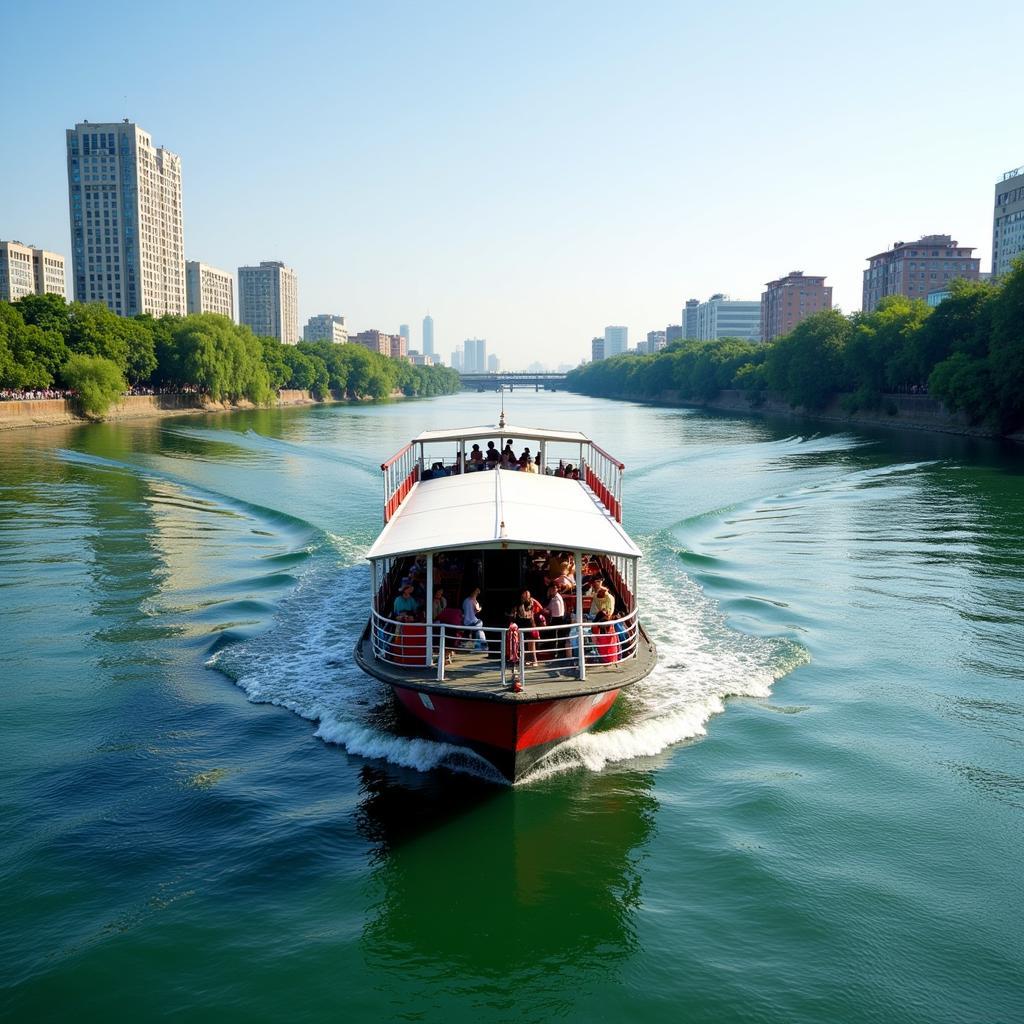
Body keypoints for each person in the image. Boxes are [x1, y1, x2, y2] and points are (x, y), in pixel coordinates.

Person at [513, 589, 542, 666]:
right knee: (522, 643)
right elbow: (521, 614)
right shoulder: (519, 603)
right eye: (525, 593)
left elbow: (540, 607)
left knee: (531, 643)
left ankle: (534, 660)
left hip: (530, 623)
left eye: (527, 593)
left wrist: (534, 602)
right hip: (522, 624)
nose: (526, 594)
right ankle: (525, 659)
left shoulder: (532, 601)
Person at [545, 583, 570, 664]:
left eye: (554, 588)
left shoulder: (557, 598)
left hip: (559, 618)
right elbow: (549, 607)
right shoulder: (553, 598)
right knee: (554, 635)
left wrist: (547, 611)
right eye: (552, 588)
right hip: (555, 618)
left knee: (558, 636)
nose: (553, 590)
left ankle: (559, 652)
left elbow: (553, 609)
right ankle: (555, 652)